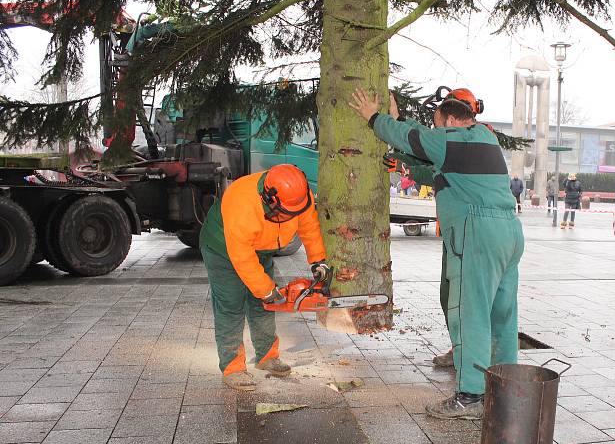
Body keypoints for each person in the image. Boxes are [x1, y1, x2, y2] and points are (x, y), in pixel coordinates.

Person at [350, 87, 524, 420]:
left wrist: (376, 117)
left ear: (449, 118)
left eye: (437, 122)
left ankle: (471, 394)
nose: (436, 129)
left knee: (469, 313)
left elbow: (415, 138)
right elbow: (430, 167)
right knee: (502, 316)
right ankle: (506, 388)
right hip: (509, 233)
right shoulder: (484, 140)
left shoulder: (450, 140)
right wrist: (403, 160)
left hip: (480, 233)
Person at [199, 164, 329, 391]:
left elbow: (308, 225)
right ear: (269, 200)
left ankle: (267, 356)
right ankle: (233, 367)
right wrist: (266, 290)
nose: (291, 216)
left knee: (265, 305)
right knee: (231, 304)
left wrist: (318, 260)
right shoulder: (241, 202)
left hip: (261, 247)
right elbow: (241, 257)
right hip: (223, 249)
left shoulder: (296, 194)